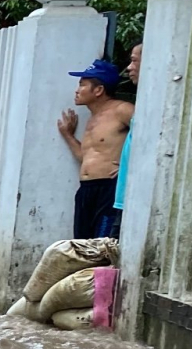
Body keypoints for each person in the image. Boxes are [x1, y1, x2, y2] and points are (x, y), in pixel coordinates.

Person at [57, 57, 136, 239]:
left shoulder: (122, 110)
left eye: (82, 85)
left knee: (101, 244)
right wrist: (68, 135)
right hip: (86, 189)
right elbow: (87, 157)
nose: (77, 91)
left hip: (108, 189)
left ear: (99, 90)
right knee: (82, 244)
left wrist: (129, 167)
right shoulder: (92, 118)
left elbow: (149, 137)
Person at [112, 42, 143, 223]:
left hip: (135, 199)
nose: (129, 68)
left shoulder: (126, 110)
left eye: (134, 61)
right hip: (124, 196)